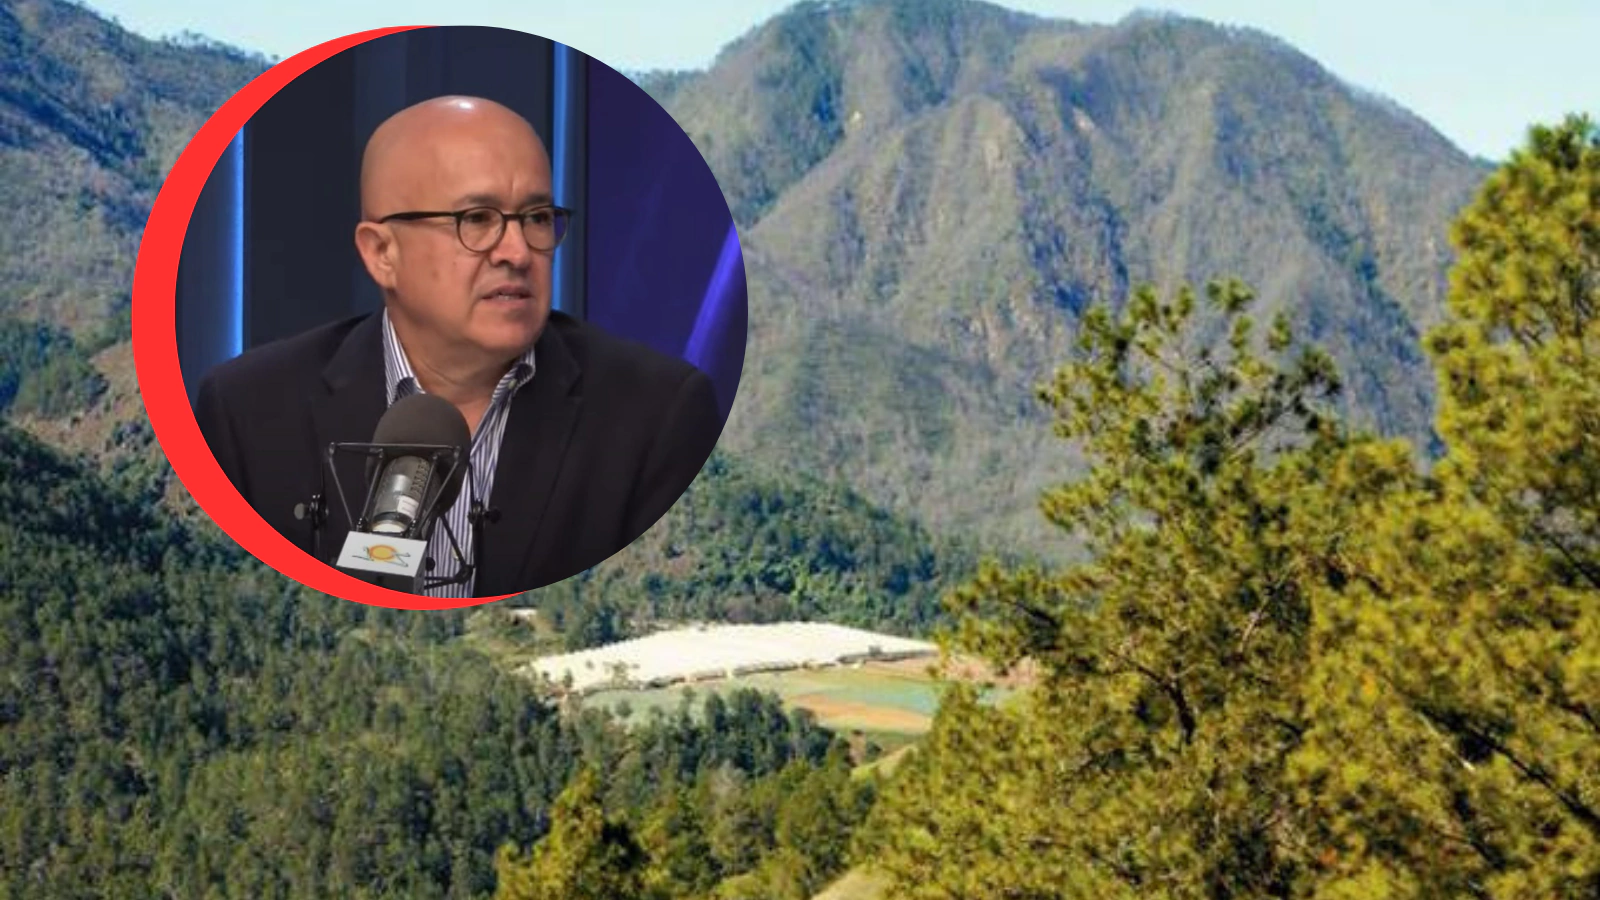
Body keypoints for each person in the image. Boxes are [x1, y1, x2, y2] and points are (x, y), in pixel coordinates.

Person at [194, 95, 723, 598]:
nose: (518, 252)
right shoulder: (247, 410)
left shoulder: (658, 415)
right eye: (477, 220)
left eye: (537, 218)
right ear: (382, 253)